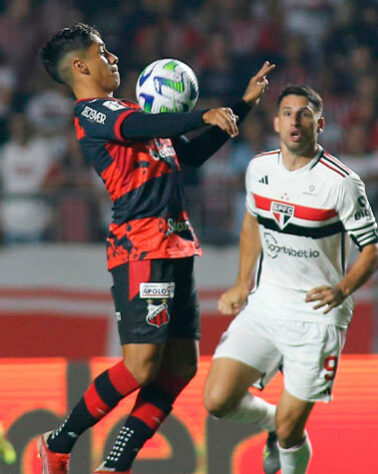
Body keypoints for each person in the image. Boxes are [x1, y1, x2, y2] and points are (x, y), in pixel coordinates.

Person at [37, 23, 274, 473]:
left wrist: (241, 107)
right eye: (103, 52)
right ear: (81, 66)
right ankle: (59, 441)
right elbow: (141, 124)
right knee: (142, 365)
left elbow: (188, 155)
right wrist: (200, 113)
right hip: (141, 248)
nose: (114, 59)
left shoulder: (131, 113)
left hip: (176, 246)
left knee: (182, 365)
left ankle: (116, 464)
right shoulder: (92, 113)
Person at [202, 84, 378, 474]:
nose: (294, 121)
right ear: (275, 123)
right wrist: (241, 283)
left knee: (290, 431)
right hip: (266, 305)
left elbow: (373, 250)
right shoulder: (259, 168)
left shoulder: (342, 182)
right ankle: (268, 421)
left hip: (317, 316)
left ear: (320, 123)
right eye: (287, 113)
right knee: (217, 401)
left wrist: (342, 289)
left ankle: (283, 442)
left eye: (303, 114)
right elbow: (252, 222)